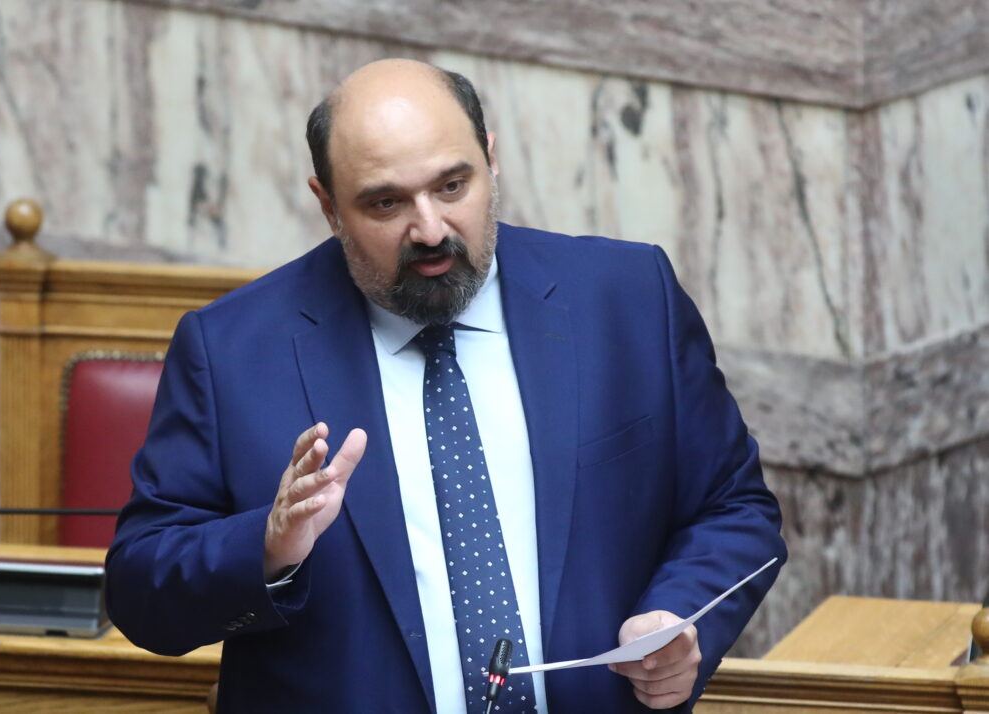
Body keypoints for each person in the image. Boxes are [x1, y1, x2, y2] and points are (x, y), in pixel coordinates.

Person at [106, 58, 786, 713]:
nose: (430, 229)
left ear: (491, 158)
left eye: (453, 186)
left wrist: (677, 617)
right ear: (328, 206)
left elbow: (733, 507)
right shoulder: (231, 351)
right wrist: (266, 548)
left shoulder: (627, 298)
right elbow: (140, 591)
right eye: (385, 203)